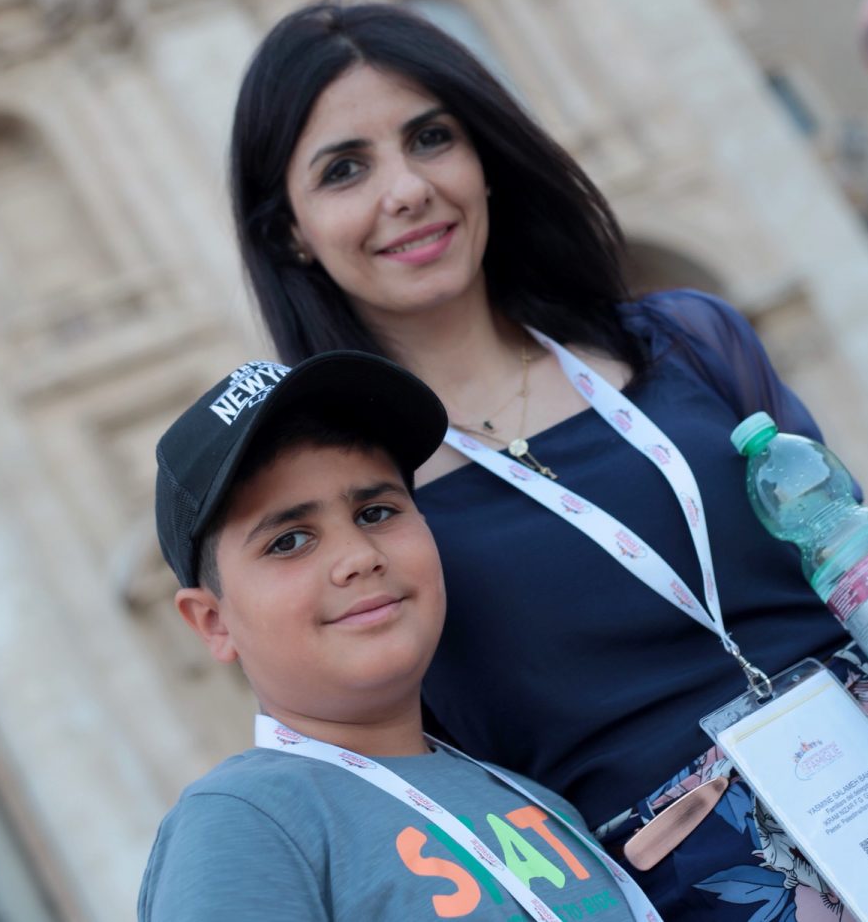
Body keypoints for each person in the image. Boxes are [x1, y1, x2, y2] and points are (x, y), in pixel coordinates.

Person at [229, 0, 868, 920]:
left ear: (484, 155)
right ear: (290, 230)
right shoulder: (353, 504)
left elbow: (855, 561)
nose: (406, 189)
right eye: (345, 169)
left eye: (431, 138)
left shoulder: (689, 340)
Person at [139, 351, 663, 922]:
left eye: (376, 513)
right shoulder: (243, 823)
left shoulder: (533, 799)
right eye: (289, 541)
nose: (358, 557)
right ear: (213, 622)